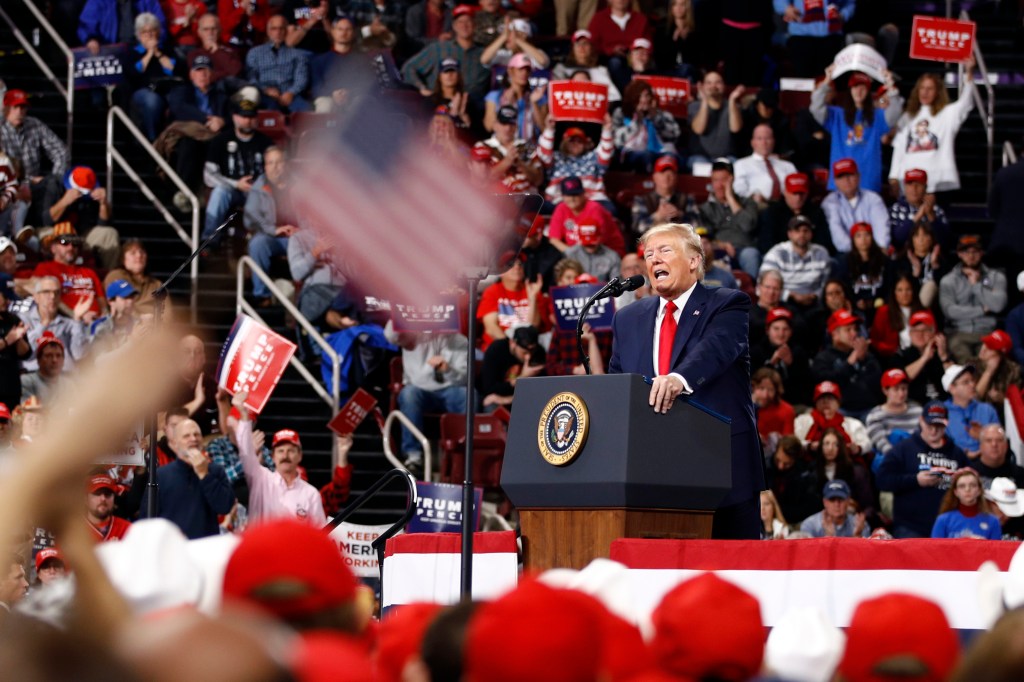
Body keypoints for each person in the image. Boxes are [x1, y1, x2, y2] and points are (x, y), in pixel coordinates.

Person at [608, 222, 764, 538]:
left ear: (693, 260)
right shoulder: (627, 318)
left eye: (665, 250)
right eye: (648, 254)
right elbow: (618, 384)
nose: (653, 260)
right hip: (651, 476)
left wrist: (679, 378)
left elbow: (716, 348)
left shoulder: (727, 303)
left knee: (733, 575)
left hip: (721, 471)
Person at [877, 401, 970, 538]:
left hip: (949, 527)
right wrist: (916, 480)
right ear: (921, 421)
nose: (933, 430)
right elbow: (882, 480)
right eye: (929, 425)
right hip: (910, 527)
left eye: (938, 426)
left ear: (946, 424)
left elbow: (972, 481)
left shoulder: (957, 453)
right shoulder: (904, 449)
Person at [385, 323, 469, 476]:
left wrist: (448, 369)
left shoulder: (460, 341)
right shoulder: (412, 335)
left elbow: (464, 378)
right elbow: (391, 335)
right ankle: (413, 455)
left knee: (468, 395)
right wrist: (399, 309)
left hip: (450, 389)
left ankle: (463, 453)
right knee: (409, 394)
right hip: (419, 389)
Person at [232, 392, 327, 526]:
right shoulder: (261, 479)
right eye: (280, 451)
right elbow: (246, 454)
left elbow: (319, 532)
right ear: (272, 456)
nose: (285, 455)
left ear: (300, 456)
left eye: (291, 451)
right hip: (262, 546)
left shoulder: (311, 493)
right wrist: (244, 416)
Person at [810, 67, 903, 192]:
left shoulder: (877, 116)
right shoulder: (837, 115)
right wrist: (827, 81)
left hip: (868, 182)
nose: (858, 91)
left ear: (868, 92)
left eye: (863, 87)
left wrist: (891, 87)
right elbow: (815, 107)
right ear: (850, 90)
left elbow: (896, 111)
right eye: (855, 87)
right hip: (840, 183)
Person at [141, 416, 234, 538]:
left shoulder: (215, 470)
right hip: (172, 549)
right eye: (186, 436)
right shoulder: (160, 475)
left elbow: (225, 507)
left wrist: (204, 475)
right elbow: (146, 518)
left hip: (205, 548)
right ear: (174, 444)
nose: (193, 439)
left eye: (197, 434)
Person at [889, 64, 976, 195]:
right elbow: (899, 148)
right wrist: (893, 177)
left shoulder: (947, 114)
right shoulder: (908, 117)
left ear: (938, 92)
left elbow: (966, 102)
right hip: (909, 183)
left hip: (938, 184)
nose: (925, 92)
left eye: (930, 88)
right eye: (922, 88)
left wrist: (969, 71)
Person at [200, 99, 272, 247]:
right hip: (232, 191)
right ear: (234, 117)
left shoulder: (266, 143)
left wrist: (259, 186)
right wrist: (236, 184)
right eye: (243, 116)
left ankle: (270, 238)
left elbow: (277, 173)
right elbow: (208, 175)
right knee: (220, 192)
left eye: (251, 117)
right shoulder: (221, 140)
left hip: (259, 192)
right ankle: (209, 241)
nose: (247, 121)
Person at [0, 89, 70, 230]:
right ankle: (14, 231)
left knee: (52, 183)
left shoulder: (34, 124)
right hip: (5, 182)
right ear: (6, 109)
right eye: (15, 107)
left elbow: (61, 151)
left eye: (23, 107)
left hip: (33, 183)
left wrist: (56, 176)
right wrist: (19, 182)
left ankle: (41, 228)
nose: (20, 111)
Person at [939, 234, 1007, 363]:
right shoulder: (948, 280)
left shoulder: (996, 277)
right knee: (960, 353)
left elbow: (998, 305)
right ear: (959, 254)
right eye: (966, 251)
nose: (971, 256)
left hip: (988, 332)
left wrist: (977, 285)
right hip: (959, 333)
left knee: (992, 359)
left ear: (982, 253)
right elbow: (950, 311)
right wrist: (982, 309)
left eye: (975, 251)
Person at [400, 6, 489, 103]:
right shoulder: (438, 48)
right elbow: (408, 68)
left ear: (475, 25)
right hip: (438, 104)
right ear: (454, 26)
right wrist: (422, 88)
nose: (464, 25)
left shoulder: (485, 53)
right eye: (460, 22)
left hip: (472, 107)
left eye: (468, 21)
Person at [242, 146, 295, 306]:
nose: (275, 167)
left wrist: (303, 230)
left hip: (299, 235)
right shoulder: (258, 188)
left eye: (279, 162)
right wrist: (272, 229)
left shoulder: (299, 184)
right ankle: (262, 295)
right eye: (270, 163)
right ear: (265, 166)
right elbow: (250, 216)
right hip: (273, 237)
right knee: (258, 243)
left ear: (286, 164)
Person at [810, 309, 883, 419]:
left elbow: (878, 383)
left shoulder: (866, 355)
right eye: (848, 330)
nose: (854, 333)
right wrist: (851, 361)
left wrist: (863, 360)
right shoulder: (823, 358)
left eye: (855, 329)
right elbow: (826, 385)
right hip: (840, 410)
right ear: (835, 334)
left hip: (868, 409)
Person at [698, 158, 760, 277]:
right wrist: (721, 245)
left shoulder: (747, 203)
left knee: (751, 254)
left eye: (724, 180)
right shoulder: (705, 208)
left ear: (732, 180)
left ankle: (750, 293)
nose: (720, 185)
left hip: (744, 249)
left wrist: (730, 198)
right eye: (716, 180)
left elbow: (748, 226)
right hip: (718, 250)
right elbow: (704, 236)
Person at [31, 223, 107, 321]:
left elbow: (102, 302)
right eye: (64, 242)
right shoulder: (45, 269)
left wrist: (104, 317)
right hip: (66, 323)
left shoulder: (89, 272)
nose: (70, 247)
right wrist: (77, 316)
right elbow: (46, 300)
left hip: (98, 324)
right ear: (53, 248)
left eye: (74, 243)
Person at [759, 216, 832, 313]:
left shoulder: (821, 253)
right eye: (797, 231)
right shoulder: (776, 253)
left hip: (815, 304)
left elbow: (825, 284)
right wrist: (790, 295)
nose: (802, 234)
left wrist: (815, 295)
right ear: (789, 234)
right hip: (784, 303)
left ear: (811, 234)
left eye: (805, 231)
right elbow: (763, 285)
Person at [537, 119, 614, 209]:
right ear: (564, 143)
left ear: (585, 144)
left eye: (580, 141)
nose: (576, 144)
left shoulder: (592, 157)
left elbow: (606, 152)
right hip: (559, 201)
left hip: (592, 200)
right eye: (572, 140)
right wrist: (549, 129)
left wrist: (607, 130)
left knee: (610, 210)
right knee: (536, 208)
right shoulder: (556, 158)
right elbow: (544, 153)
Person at [820, 158, 891, 254]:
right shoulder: (829, 202)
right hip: (847, 254)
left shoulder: (873, 199)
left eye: (850, 174)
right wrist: (858, 253)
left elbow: (882, 228)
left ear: (858, 176)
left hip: (875, 252)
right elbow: (837, 235)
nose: (846, 180)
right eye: (841, 176)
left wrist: (876, 250)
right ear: (835, 181)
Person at [610, 80, 680, 173]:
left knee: (670, 158)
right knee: (644, 157)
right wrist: (636, 122)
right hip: (632, 153)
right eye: (640, 96)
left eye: (647, 95)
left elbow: (673, 136)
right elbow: (618, 141)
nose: (645, 100)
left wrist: (655, 117)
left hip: (660, 152)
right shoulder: (621, 113)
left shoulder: (662, 115)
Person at [246, 15, 311, 113]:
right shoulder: (255, 53)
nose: (278, 32)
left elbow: (301, 78)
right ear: (268, 31)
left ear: (286, 31)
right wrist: (265, 90)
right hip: (265, 95)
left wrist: (291, 92)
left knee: (306, 109)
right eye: (274, 29)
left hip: (291, 94)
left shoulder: (298, 54)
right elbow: (251, 78)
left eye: (281, 28)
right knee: (269, 109)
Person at [472, 105, 544, 194]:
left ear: (516, 126)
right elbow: (481, 179)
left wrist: (521, 164)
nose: (507, 128)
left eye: (511, 124)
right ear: (495, 125)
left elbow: (538, 180)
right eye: (503, 124)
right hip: (498, 201)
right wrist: (507, 161)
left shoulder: (526, 146)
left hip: (527, 200)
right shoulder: (483, 146)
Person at [833, 222, 893, 326]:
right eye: (859, 236)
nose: (863, 239)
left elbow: (891, 286)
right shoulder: (844, 262)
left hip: (880, 305)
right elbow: (841, 286)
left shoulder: (884, 261)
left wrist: (877, 302)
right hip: (854, 307)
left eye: (867, 235)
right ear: (853, 239)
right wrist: (853, 302)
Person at [774, 0, 853, 78]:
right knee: (803, 82)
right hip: (800, 36)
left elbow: (850, 3)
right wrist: (786, 8)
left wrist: (843, 15)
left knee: (827, 80)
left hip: (831, 36)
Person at [547, 176, 625, 256]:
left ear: (583, 194)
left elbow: (596, 242)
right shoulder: (561, 208)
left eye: (575, 195)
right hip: (579, 253)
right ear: (562, 196)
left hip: (606, 251)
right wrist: (571, 253)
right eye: (568, 195)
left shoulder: (594, 209)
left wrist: (575, 256)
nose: (572, 199)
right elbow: (554, 239)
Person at [750, 307, 811, 405]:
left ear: (791, 331)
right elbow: (751, 383)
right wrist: (771, 364)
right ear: (767, 330)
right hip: (761, 404)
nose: (781, 334)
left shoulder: (798, 352)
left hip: (793, 404)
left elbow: (806, 386)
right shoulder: (755, 352)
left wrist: (791, 365)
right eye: (776, 329)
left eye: (785, 329)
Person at [794, 380, 872, 456]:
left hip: (845, 463)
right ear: (815, 402)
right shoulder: (802, 420)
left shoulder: (852, 424)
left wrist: (857, 448)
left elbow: (867, 443)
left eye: (830, 398)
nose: (826, 402)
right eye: (822, 398)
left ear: (838, 403)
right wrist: (808, 446)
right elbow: (793, 442)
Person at [479, 324, 545, 411]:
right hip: (499, 398)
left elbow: (540, 392)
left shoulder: (538, 353)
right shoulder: (497, 350)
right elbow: (489, 389)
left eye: (531, 351)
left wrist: (506, 400)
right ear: (512, 343)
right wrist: (522, 377)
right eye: (524, 353)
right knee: (491, 407)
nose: (528, 357)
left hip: (522, 401)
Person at [630, 154, 698, 238]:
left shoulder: (687, 199)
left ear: (676, 177)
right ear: (654, 177)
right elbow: (636, 228)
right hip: (650, 245)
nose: (666, 177)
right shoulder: (641, 200)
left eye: (670, 173)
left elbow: (698, 227)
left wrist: (680, 215)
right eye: (662, 172)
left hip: (679, 245)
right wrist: (657, 216)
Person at [686, 70, 742, 169]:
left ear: (724, 86)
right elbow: (699, 129)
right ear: (702, 86)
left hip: (726, 157)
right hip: (700, 157)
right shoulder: (694, 106)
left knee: (736, 166)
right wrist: (704, 101)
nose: (713, 86)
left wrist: (732, 100)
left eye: (718, 82)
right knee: (699, 165)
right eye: (709, 83)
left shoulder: (733, 106)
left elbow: (735, 128)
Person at [942, 364, 999, 459]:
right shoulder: (943, 413)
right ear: (952, 389)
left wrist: (982, 436)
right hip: (955, 463)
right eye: (966, 382)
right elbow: (940, 446)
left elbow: (1000, 441)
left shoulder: (987, 410)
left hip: (988, 462)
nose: (972, 385)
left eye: (972, 380)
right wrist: (964, 454)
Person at [732, 124, 798, 207]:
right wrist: (753, 196)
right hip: (757, 206)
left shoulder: (788, 166)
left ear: (773, 141)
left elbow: (797, 188)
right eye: (759, 138)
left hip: (786, 206)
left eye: (767, 138)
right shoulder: (741, 164)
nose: (764, 143)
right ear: (753, 142)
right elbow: (739, 190)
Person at [864, 368, 923, 459]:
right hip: (890, 458)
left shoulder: (918, 411)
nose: (901, 393)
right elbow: (881, 444)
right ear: (885, 391)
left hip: (917, 456)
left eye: (904, 389)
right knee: (896, 435)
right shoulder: (875, 416)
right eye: (896, 389)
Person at [551, 30, 621, 104]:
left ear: (591, 47)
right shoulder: (561, 68)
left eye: (585, 43)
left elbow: (613, 96)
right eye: (578, 43)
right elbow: (556, 94)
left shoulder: (601, 70)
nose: (581, 47)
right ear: (572, 48)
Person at [888, 169, 949, 251]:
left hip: (932, 256)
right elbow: (897, 240)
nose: (914, 188)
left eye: (919, 184)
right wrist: (918, 215)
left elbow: (945, 241)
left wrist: (931, 215)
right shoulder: (894, 210)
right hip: (902, 257)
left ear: (925, 187)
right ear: (905, 187)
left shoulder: (936, 210)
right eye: (910, 184)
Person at [931, 467, 1001, 539]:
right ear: (956, 492)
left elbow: (996, 549)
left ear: (979, 490)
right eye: (962, 486)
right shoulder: (943, 520)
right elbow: (935, 548)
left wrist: (982, 544)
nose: (967, 489)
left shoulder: (993, 521)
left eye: (972, 485)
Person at [869, 272, 924, 361]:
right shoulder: (884, 312)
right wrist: (893, 351)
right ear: (894, 292)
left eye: (908, 289)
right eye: (900, 290)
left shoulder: (923, 311)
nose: (904, 294)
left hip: (921, 356)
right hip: (893, 358)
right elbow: (875, 341)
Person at [103, 239, 165, 316]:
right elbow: (120, 306)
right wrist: (140, 320)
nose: (139, 255)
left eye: (142, 252)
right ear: (123, 259)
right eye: (133, 253)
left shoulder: (156, 284)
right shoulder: (115, 276)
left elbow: (167, 314)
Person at [894, 221, 944, 309]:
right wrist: (916, 272)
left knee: (931, 285)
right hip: (906, 304)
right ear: (911, 239)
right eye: (917, 235)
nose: (921, 239)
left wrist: (935, 265)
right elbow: (901, 286)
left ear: (932, 239)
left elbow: (944, 287)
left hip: (932, 307)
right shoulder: (902, 260)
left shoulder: (940, 260)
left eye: (925, 235)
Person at [799, 480, 870, 538]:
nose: (837, 504)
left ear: (848, 501)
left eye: (841, 499)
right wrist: (828, 538)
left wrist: (857, 536)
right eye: (832, 500)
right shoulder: (810, 525)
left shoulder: (859, 524)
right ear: (825, 502)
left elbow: (866, 554)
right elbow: (809, 554)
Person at [974, 329, 1021, 411]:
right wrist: (988, 372)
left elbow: (1018, 404)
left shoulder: (1013, 371)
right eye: (984, 343)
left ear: (1000, 355)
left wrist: (1003, 399)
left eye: (990, 347)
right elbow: (972, 400)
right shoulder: (971, 366)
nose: (984, 349)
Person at [20, 333, 70, 403]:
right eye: (49, 355)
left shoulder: (69, 384)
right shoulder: (27, 381)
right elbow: (28, 409)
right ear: (38, 359)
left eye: (58, 356)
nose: (54, 360)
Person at [752, 366, 795, 445]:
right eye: (761, 388)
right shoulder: (745, 407)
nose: (765, 395)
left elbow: (788, 445)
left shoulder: (787, 410)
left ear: (777, 391)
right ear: (753, 387)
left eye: (770, 390)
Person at [85, 473, 132, 542]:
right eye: (97, 493)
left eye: (108, 494)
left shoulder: (127, 529)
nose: (103, 498)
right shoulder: (72, 530)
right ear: (85, 498)